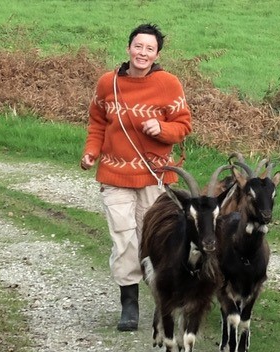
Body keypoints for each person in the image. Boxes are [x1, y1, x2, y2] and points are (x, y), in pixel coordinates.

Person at [80, 23, 192, 331]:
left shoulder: (168, 84)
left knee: (154, 240)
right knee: (124, 238)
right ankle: (129, 304)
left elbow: (183, 124)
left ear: (157, 54)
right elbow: (97, 122)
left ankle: (163, 300)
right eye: (138, 46)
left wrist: (163, 129)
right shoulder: (108, 83)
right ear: (129, 48)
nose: (142, 53)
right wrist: (91, 151)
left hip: (155, 176)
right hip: (115, 174)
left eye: (149, 49)